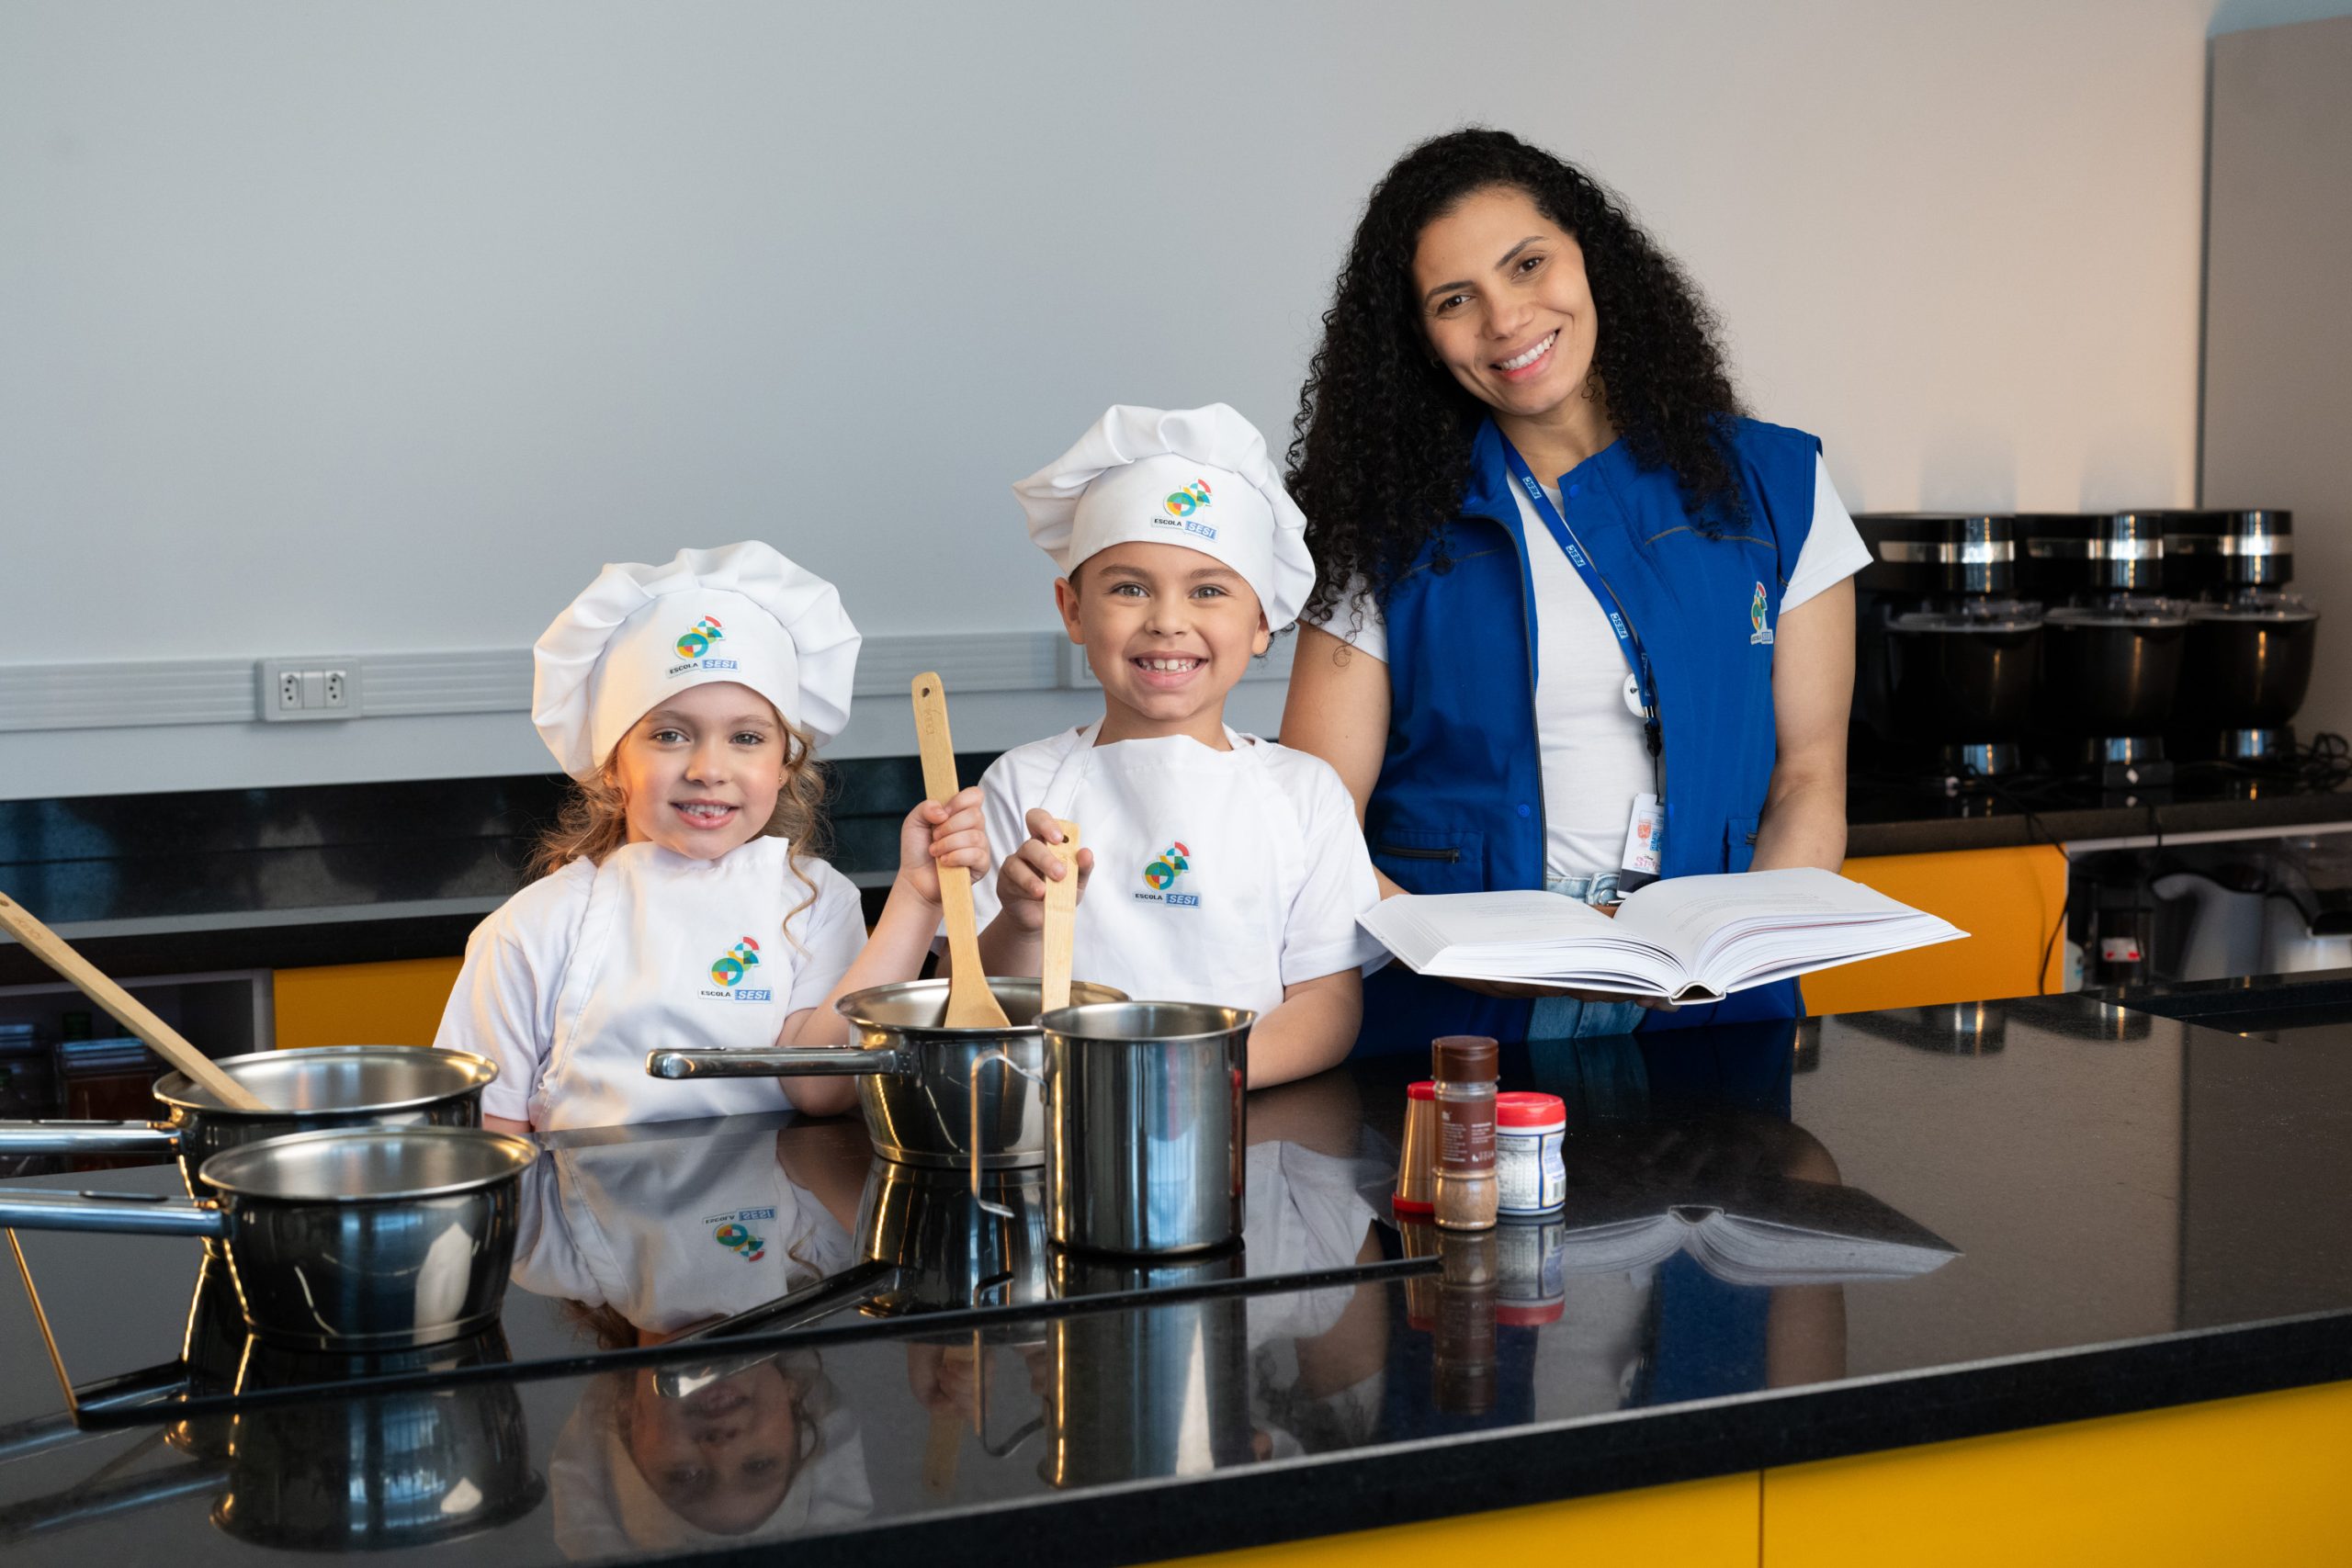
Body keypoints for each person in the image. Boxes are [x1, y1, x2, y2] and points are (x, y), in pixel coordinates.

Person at [1278, 129, 1870, 1049]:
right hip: (1458, 1023)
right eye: (1454, 299)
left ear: (1590, 258)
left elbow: (1806, 778)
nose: (1506, 321)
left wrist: (1722, 960)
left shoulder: (1778, 486)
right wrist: (1497, 961)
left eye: (1527, 265)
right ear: (1419, 340)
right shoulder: (1376, 527)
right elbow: (1315, 826)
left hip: (1711, 1013)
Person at [433, 541, 990, 1131]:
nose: (708, 769)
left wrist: (917, 896)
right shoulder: (531, 930)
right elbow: (487, 1137)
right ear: (612, 765)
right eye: (670, 735)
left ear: (784, 765)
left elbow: (823, 1089)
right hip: (586, 1217)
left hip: (782, 1212)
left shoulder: (818, 902)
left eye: (747, 738)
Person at [971, 403, 1385, 1086]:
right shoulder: (1019, 785)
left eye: (1208, 591)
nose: (1168, 622)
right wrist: (1020, 922)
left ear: (1260, 622)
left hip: (1243, 1130)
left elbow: (1327, 1006)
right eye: (1129, 588)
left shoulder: (1306, 795)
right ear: (1072, 610)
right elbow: (976, 1000)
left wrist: (1191, 1080)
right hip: (1061, 1133)